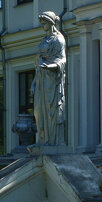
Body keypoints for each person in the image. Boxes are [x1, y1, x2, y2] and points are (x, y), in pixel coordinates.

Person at [33, 11, 66, 145]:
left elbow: (62, 60)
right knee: (38, 112)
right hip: (41, 79)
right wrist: (34, 82)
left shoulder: (58, 39)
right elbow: (38, 62)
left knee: (52, 111)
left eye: (44, 22)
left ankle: (52, 141)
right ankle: (42, 139)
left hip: (52, 81)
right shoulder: (44, 40)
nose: (42, 25)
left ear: (51, 23)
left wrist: (49, 66)